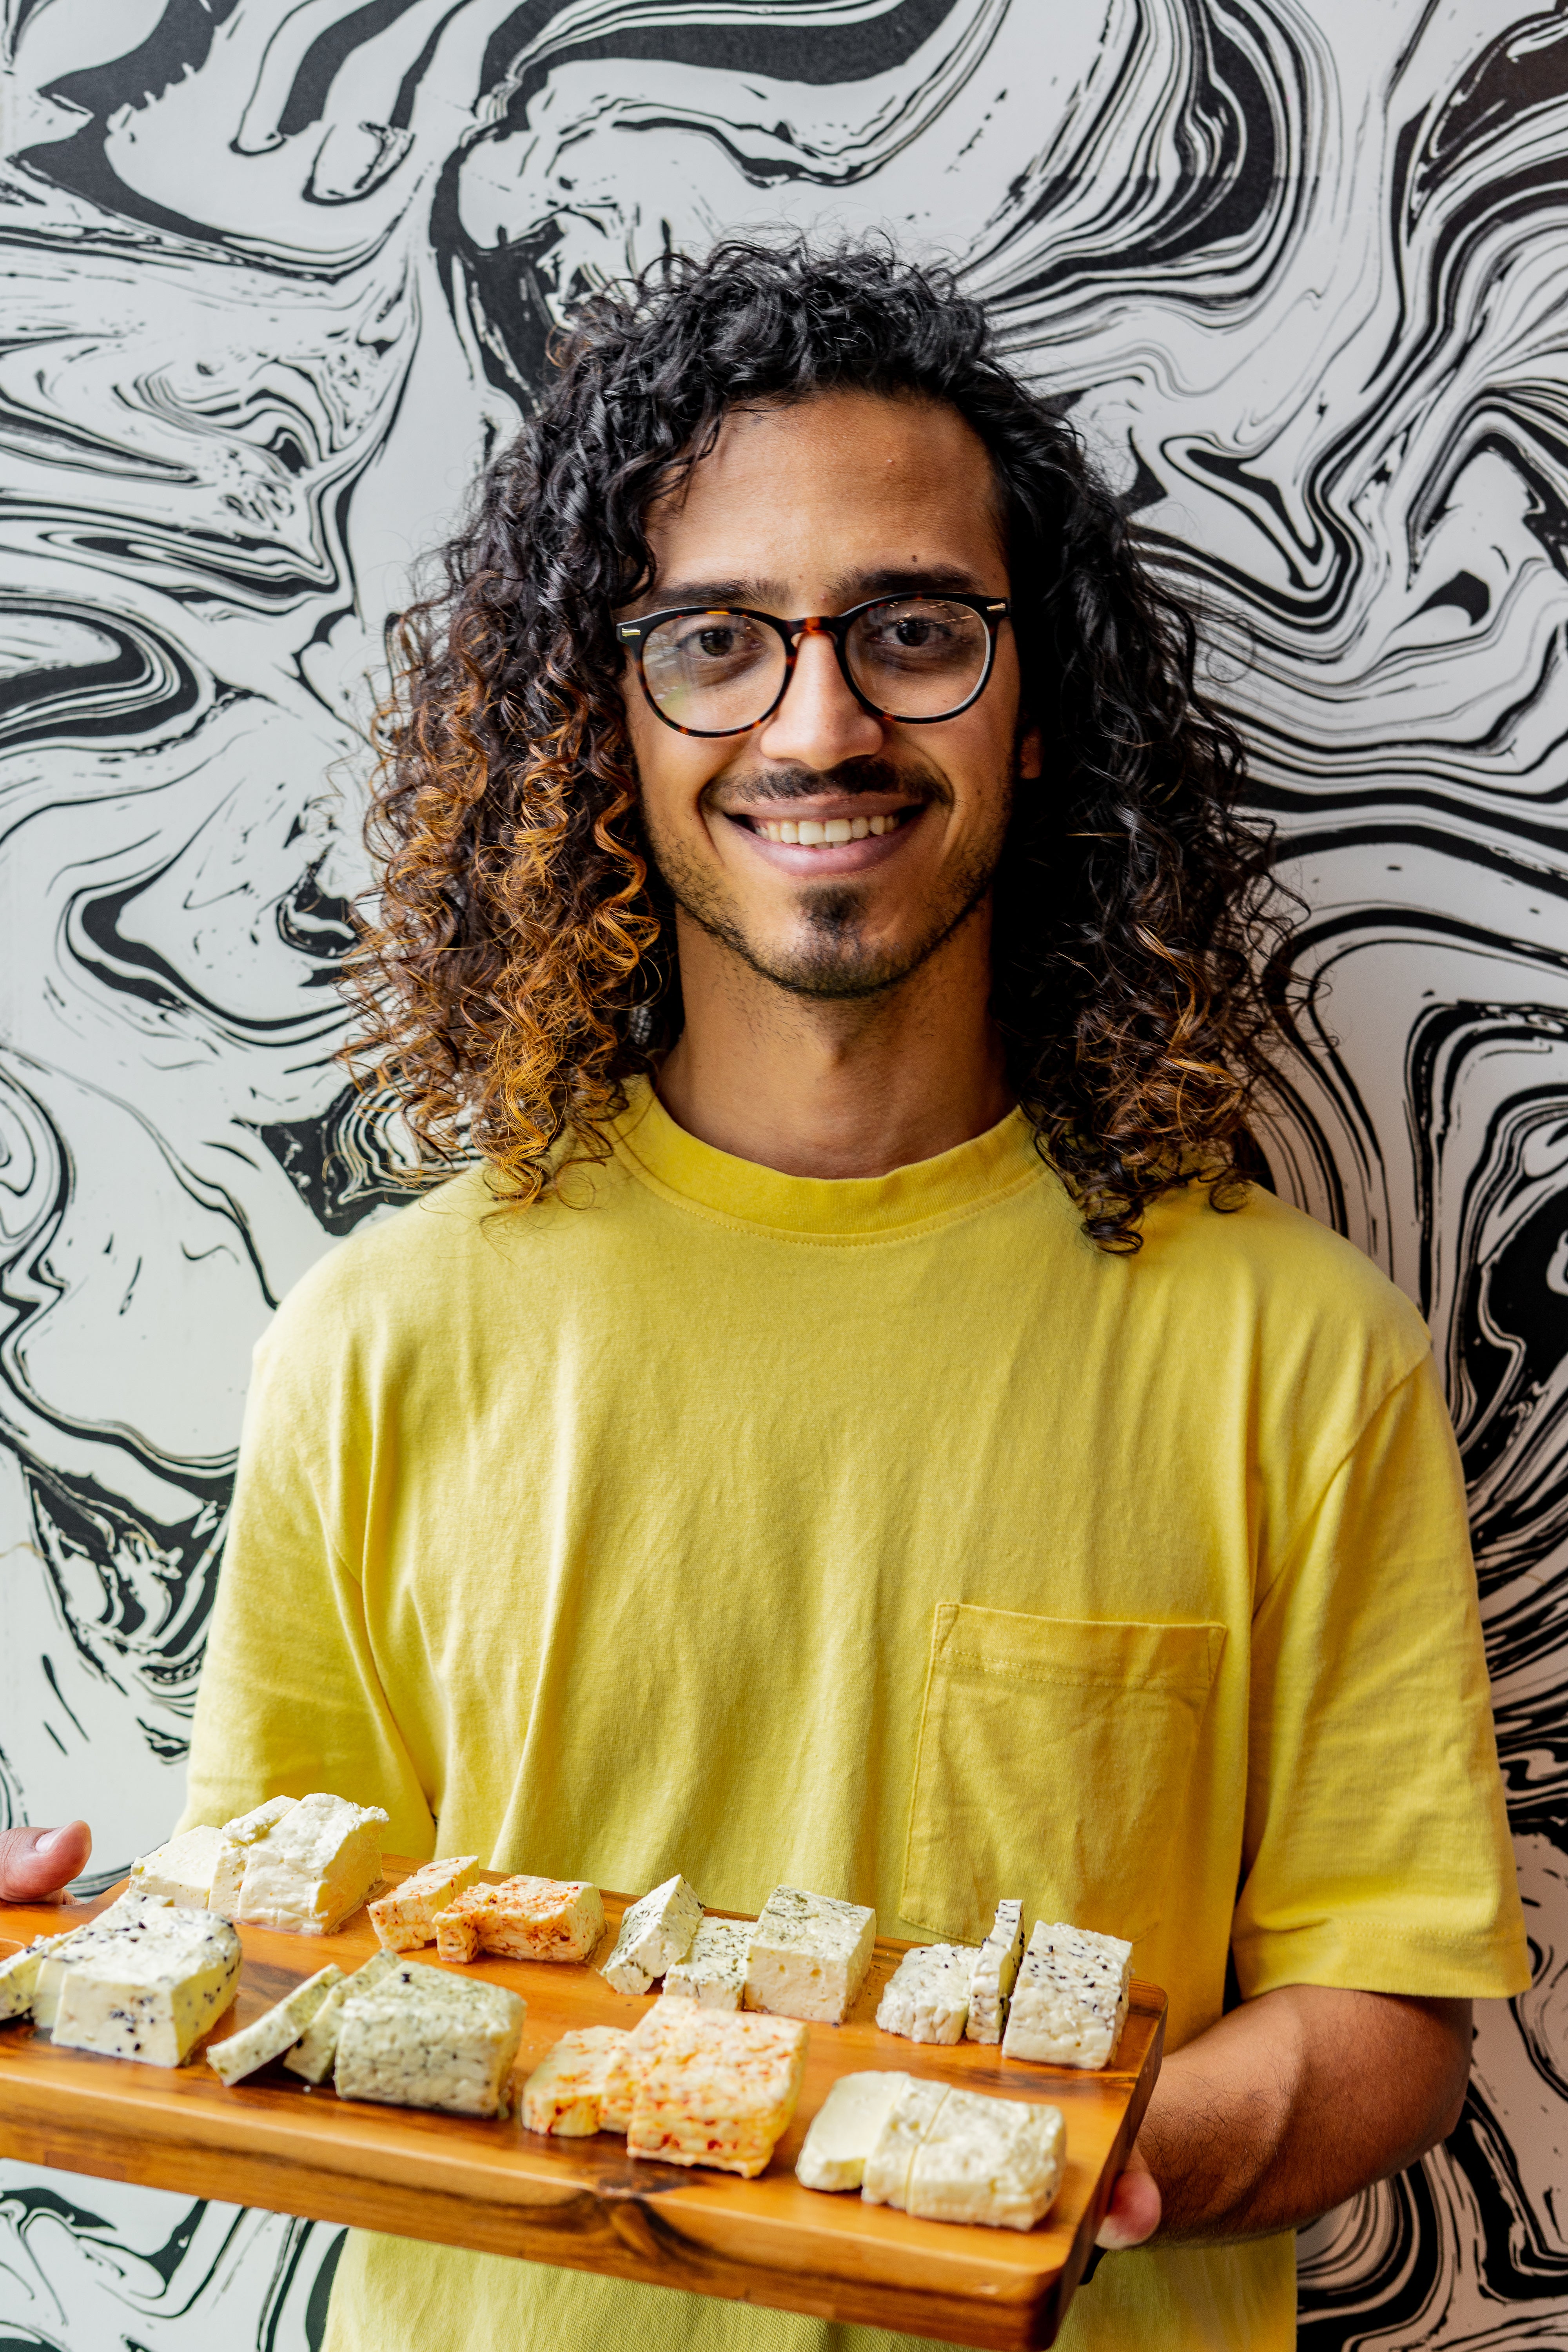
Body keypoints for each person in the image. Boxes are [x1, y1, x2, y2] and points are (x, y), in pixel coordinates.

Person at [3, 240, 1525, 2352]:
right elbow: (281, 1958)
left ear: (1040, 702)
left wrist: (1093, 2162)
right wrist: (55, 1972)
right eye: (718, 639)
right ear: (602, 719)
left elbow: (1389, 2006)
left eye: (914, 630)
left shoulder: (1295, 1354)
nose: (821, 721)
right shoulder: (381, 1343)